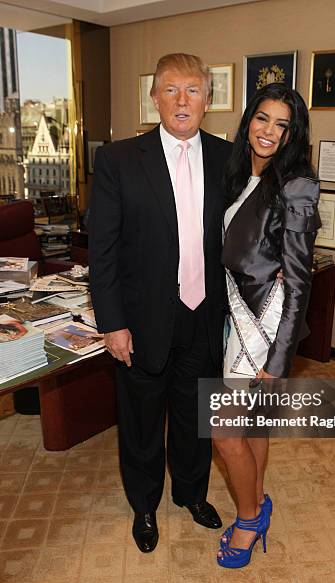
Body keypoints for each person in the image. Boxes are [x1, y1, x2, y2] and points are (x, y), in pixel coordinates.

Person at [89, 53, 232, 553]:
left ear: (208, 100)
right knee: (142, 420)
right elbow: (102, 251)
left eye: (193, 89)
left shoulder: (227, 157)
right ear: (154, 98)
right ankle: (144, 505)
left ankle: (191, 494)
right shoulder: (118, 160)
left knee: (196, 417)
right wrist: (112, 323)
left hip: (204, 314)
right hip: (143, 318)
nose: (182, 100)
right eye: (170, 90)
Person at [213, 82, 321, 569]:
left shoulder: (296, 184)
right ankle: (257, 502)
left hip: (263, 325)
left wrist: (279, 359)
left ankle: (250, 518)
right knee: (253, 427)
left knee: (222, 432)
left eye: (282, 124)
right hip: (235, 316)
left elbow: (300, 281)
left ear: (293, 132)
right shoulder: (241, 174)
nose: (269, 131)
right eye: (262, 118)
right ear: (248, 120)